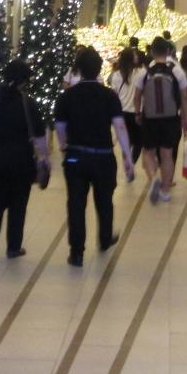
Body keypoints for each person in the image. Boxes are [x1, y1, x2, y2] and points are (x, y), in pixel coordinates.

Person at [55, 47, 135, 266]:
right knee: (105, 200)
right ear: (100, 69)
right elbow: (120, 127)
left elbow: (60, 126)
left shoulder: (67, 96)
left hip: (76, 156)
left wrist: (64, 148)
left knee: (76, 203)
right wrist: (128, 157)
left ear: (79, 69)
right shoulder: (109, 96)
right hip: (103, 156)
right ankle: (104, 238)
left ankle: (76, 252)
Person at [0, 60, 50, 262]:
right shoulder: (27, 103)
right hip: (21, 159)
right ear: (25, 80)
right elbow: (39, 135)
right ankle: (13, 247)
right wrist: (45, 159)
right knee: (18, 203)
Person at [134, 37, 187, 204]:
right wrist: (185, 119)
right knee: (167, 154)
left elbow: (137, 96)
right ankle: (165, 191)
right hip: (170, 118)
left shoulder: (144, 71)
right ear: (168, 51)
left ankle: (153, 178)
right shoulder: (177, 70)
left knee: (148, 152)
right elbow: (184, 96)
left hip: (150, 118)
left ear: (151, 52)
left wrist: (137, 113)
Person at [109, 47, 143, 163]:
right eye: (135, 55)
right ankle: (132, 162)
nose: (137, 57)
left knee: (126, 140)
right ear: (131, 58)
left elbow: (114, 95)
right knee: (138, 141)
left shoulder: (116, 75)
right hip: (137, 111)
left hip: (122, 112)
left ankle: (126, 161)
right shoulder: (140, 73)